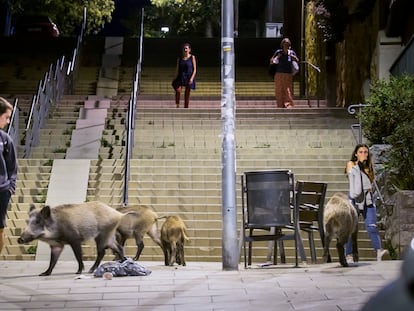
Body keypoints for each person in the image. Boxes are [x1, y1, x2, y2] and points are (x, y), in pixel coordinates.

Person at [344, 144, 388, 263]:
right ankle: (348, 254)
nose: (364, 154)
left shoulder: (369, 167)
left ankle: (379, 251)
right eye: (361, 152)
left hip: (368, 198)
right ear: (356, 154)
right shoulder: (351, 164)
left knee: (371, 226)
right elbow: (352, 178)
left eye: (366, 152)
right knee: (349, 227)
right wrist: (360, 165)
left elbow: (370, 183)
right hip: (354, 198)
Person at [0, 97, 18, 255]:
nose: (7, 122)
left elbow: (12, 166)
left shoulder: (5, 139)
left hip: (1, 192)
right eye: (6, 117)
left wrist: (10, 187)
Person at [269, 37, 299, 108]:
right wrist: (277, 57)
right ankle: (280, 105)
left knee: (288, 90)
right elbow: (271, 61)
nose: (286, 45)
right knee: (279, 90)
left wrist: (293, 57)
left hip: (288, 73)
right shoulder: (279, 52)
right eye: (285, 44)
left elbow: (297, 60)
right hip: (279, 73)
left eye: (288, 44)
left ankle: (288, 104)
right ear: (282, 44)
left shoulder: (291, 53)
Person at [173, 43, 197, 108]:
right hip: (180, 76)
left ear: (189, 49)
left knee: (187, 93)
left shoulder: (192, 57)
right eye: (184, 48)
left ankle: (186, 107)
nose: (185, 49)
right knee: (178, 90)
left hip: (189, 77)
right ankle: (177, 105)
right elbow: (177, 68)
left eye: (186, 48)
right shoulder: (180, 58)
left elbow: (194, 69)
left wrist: (192, 78)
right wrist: (175, 77)